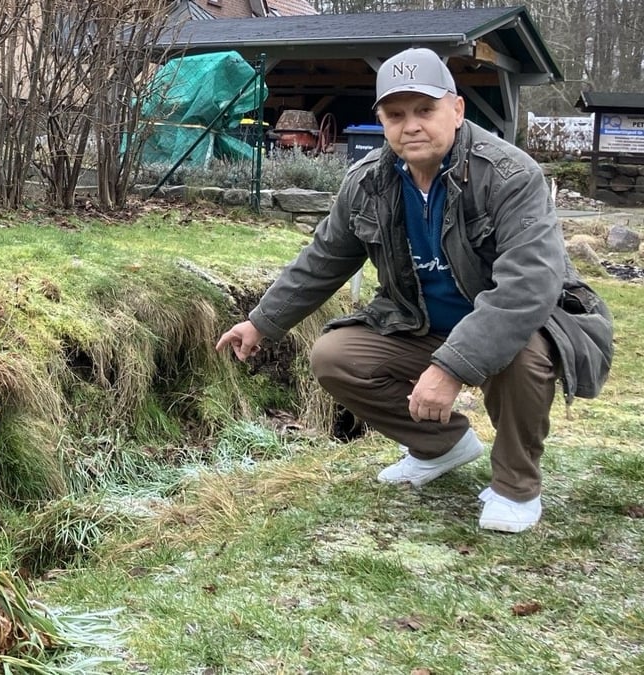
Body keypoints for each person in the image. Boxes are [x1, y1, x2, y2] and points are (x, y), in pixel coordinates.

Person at [215, 47, 613, 533]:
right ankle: (439, 446)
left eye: (425, 110)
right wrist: (261, 321)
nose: (412, 126)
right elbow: (322, 260)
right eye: (396, 114)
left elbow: (528, 288)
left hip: (521, 324)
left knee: (527, 353)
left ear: (457, 109)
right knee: (336, 356)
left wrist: (450, 368)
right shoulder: (366, 183)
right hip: (420, 323)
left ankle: (515, 487)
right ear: (381, 120)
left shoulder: (511, 176)